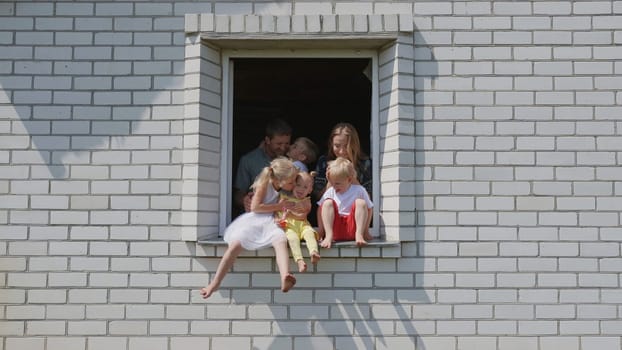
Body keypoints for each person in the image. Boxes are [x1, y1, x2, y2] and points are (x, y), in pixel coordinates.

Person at [201, 157, 300, 299]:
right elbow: (255, 207)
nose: (293, 185)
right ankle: (215, 282)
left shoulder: (284, 189)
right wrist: (279, 206)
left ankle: (285, 275)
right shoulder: (264, 184)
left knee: (280, 240)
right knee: (235, 244)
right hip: (255, 220)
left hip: (271, 221)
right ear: (279, 180)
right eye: (291, 182)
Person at [234, 118, 292, 214]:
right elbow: (238, 193)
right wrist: (244, 200)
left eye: (287, 143)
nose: (283, 148)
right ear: (267, 140)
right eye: (279, 143)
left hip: (285, 215)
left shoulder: (291, 158)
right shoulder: (249, 160)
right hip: (258, 215)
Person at [317, 157, 373, 249]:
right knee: (327, 203)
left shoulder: (359, 190)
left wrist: (365, 231)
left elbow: (369, 209)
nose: (334, 186)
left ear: (349, 180)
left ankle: (359, 235)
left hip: (352, 229)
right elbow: (320, 210)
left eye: (338, 183)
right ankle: (328, 236)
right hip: (335, 229)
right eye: (332, 183)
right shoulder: (331, 191)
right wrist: (321, 231)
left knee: (361, 203)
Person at [276, 171, 320, 273]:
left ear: (310, 190)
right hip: (289, 226)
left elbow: (303, 215)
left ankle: (314, 252)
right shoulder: (283, 197)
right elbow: (277, 211)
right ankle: (300, 261)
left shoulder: (306, 202)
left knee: (310, 233)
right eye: (298, 185)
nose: (301, 189)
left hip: (303, 225)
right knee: (292, 238)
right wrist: (278, 218)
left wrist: (290, 214)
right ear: (293, 185)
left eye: (305, 187)